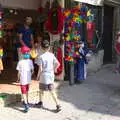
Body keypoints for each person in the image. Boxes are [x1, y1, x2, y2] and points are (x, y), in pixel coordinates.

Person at [36, 40, 61, 112]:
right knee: (52, 91)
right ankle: (58, 105)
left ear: (41, 47)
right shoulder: (52, 55)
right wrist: (54, 69)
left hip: (44, 75)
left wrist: (37, 77)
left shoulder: (41, 57)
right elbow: (58, 64)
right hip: (50, 74)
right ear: (49, 47)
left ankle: (40, 102)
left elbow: (40, 69)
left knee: (41, 90)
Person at [16, 46, 34, 113]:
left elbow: (18, 73)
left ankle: (26, 105)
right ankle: (27, 101)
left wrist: (18, 79)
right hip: (28, 80)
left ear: (22, 54)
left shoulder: (20, 62)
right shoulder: (30, 61)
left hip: (22, 80)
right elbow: (32, 71)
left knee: (23, 92)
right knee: (26, 91)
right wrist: (30, 75)